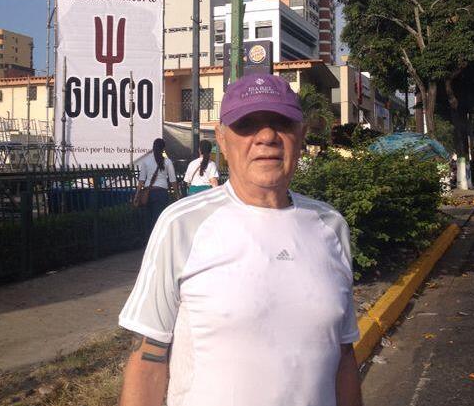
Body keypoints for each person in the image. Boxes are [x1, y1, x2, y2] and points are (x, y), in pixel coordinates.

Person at [117, 74, 362, 406]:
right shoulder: (182, 225)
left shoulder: (331, 226)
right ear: (221, 138)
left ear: (301, 135)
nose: (266, 137)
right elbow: (149, 359)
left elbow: (343, 355)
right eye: (247, 124)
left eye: (282, 123)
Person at [136, 138, 177, 229]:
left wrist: (137, 195)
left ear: (153, 147)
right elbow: (173, 180)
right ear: (163, 149)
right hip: (161, 193)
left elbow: (141, 180)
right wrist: (177, 193)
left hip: (147, 193)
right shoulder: (167, 161)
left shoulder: (146, 161)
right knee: (159, 220)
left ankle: (147, 240)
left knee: (148, 220)